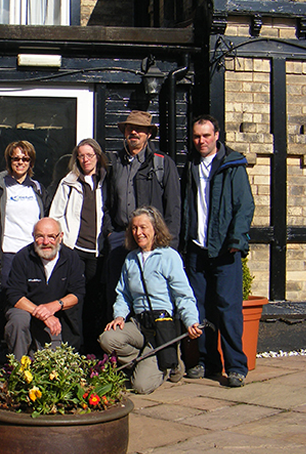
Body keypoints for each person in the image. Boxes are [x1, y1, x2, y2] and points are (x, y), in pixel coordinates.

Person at [180, 115, 255, 388]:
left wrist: (237, 240)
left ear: (216, 135)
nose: (201, 141)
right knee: (199, 309)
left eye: (206, 135)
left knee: (228, 309)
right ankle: (205, 361)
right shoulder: (191, 164)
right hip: (196, 250)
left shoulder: (232, 165)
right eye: (197, 136)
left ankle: (236, 366)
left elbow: (245, 205)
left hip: (225, 250)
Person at [99, 206, 203, 395]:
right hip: (140, 324)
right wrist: (119, 316)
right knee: (108, 339)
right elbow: (123, 294)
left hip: (162, 325)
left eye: (143, 227)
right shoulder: (131, 259)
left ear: (155, 228)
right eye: (134, 228)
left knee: (140, 386)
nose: (138, 233)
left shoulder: (169, 256)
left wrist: (191, 321)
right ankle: (152, 359)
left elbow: (183, 295)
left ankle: (169, 360)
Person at [102, 110, 181, 318]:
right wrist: (110, 232)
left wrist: (168, 245)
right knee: (117, 294)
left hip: (151, 241)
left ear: (148, 134)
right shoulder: (115, 162)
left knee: (150, 293)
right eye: (130, 128)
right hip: (120, 238)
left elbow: (173, 208)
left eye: (139, 129)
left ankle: (151, 345)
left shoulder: (162, 163)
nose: (134, 132)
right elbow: (108, 202)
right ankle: (121, 343)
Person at [0, 141, 45, 355]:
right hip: (8, 253)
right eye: (16, 158)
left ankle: (30, 345)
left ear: (31, 162)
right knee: (7, 299)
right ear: (9, 161)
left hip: (33, 254)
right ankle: (5, 344)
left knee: (33, 298)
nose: (20, 163)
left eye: (25, 159)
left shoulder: (36, 188)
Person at [49, 139, 110, 355]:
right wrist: (62, 244)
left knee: (95, 302)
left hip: (97, 252)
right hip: (74, 251)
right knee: (73, 302)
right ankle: (72, 351)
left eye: (89, 155)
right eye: (81, 156)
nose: (85, 159)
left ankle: (92, 352)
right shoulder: (69, 182)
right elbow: (55, 215)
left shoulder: (106, 181)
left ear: (97, 156)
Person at [4, 217, 85, 359]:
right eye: (40, 236)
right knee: (18, 320)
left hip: (57, 317)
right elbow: (14, 295)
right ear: (33, 237)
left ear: (60, 237)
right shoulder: (23, 257)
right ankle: (17, 370)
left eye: (51, 237)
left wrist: (55, 306)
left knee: (53, 367)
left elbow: (77, 294)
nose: (46, 242)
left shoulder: (71, 258)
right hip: (27, 312)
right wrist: (42, 313)